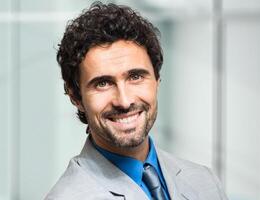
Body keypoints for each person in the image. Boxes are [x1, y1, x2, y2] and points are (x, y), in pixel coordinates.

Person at [45, 2, 227, 200]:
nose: (124, 101)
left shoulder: (205, 182)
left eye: (135, 77)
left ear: (157, 80)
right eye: (103, 83)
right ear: (76, 97)